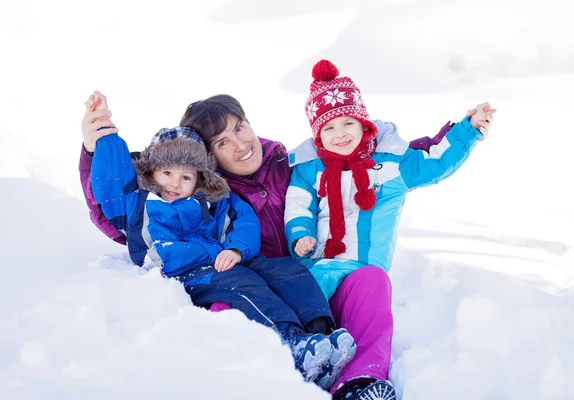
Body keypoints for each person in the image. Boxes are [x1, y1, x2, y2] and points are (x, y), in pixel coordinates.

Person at [79, 86, 493, 397]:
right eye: (223, 142)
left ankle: (359, 380)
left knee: (372, 281)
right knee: (226, 307)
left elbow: (373, 156)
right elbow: (122, 216)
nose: (241, 145)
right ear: (205, 159)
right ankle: (284, 381)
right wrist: (93, 148)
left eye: (240, 128)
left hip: (312, 278)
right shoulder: (204, 197)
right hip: (253, 290)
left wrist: (458, 133)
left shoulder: (291, 160)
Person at [86, 95, 357, 384]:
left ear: (200, 179)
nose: (175, 183)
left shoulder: (215, 199)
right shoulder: (139, 203)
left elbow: (246, 221)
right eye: (167, 173)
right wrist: (104, 134)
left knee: (286, 270)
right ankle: (291, 342)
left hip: (230, 262)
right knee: (243, 285)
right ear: (152, 172)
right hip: (189, 274)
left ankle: (322, 335)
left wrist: (238, 250)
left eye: (186, 177)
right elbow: (111, 181)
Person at [283, 59, 496, 399]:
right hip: (318, 267)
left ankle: (359, 380)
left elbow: (437, 161)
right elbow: (298, 205)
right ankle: (298, 362)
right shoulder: (309, 169)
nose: (340, 134)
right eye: (329, 128)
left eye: (348, 122)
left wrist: (467, 130)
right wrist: (300, 234)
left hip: (361, 271)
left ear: (364, 123)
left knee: (375, 290)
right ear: (317, 134)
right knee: (299, 303)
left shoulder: (393, 163)